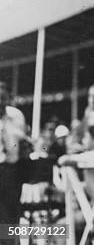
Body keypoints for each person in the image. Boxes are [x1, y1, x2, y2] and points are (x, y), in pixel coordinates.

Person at [0, 80, 27, 225]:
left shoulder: (16, 115)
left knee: (10, 216)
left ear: (8, 97)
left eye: (2, 97)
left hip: (11, 170)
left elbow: (22, 141)